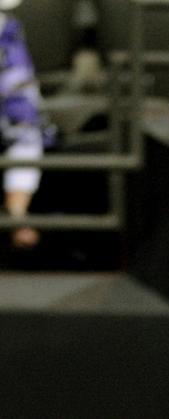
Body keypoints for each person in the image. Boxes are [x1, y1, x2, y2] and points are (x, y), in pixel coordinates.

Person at [0, 0, 42, 249]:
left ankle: (16, 213)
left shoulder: (10, 32)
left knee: (27, 138)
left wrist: (22, 120)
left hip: (10, 115)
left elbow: (21, 91)